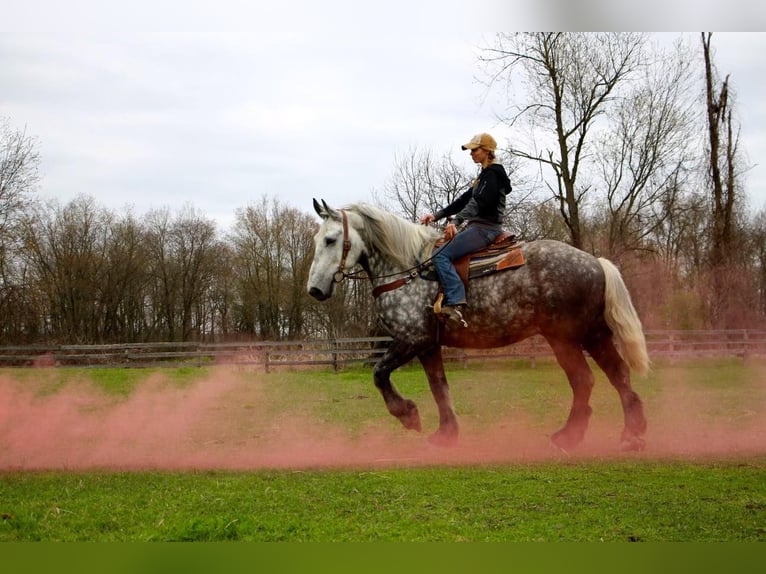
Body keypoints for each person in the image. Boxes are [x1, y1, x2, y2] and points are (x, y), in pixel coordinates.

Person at [419, 132, 512, 326]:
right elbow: (463, 200)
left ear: (487, 151)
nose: (471, 154)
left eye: (474, 150)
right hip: (479, 227)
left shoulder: (493, 174)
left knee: (440, 255)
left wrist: (457, 221)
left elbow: (477, 202)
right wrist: (436, 215)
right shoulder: (484, 176)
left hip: (485, 229)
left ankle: (455, 301)